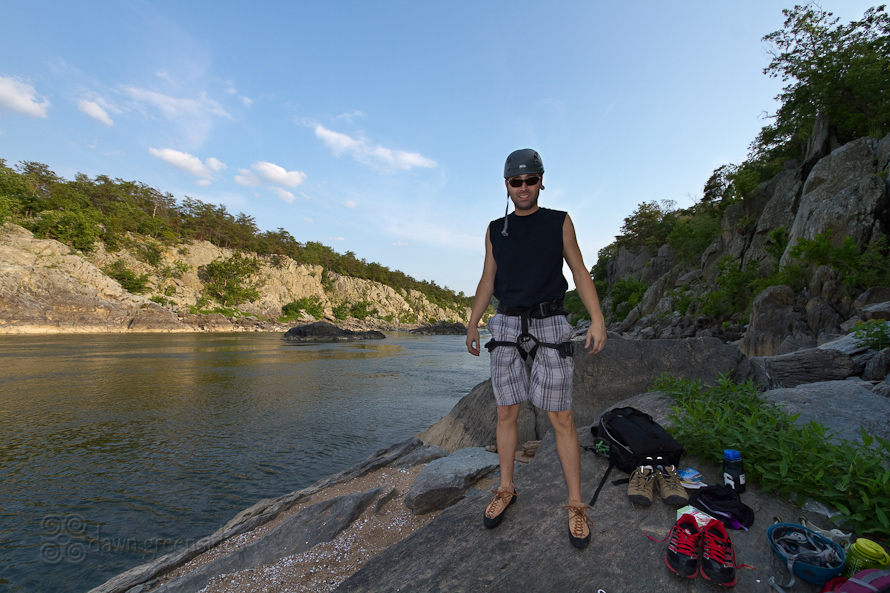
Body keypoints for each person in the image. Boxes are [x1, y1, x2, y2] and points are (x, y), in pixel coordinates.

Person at [465, 148, 607, 549]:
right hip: (507, 323)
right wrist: (473, 323)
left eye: (531, 180)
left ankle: (576, 504)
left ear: (541, 181)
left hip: (551, 322)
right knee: (506, 411)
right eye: (516, 181)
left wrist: (597, 318)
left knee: (561, 417)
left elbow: (579, 270)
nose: (523, 188)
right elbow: (487, 279)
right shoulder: (496, 229)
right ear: (506, 185)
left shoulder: (559, 222)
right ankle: (506, 487)